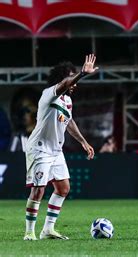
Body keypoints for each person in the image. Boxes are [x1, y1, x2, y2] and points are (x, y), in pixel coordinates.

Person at [23, 54, 99, 240]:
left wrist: (83, 141)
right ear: (63, 78)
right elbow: (65, 83)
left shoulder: (67, 101)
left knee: (63, 188)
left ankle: (48, 229)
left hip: (56, 151)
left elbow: (69, 122)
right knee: (38, 189)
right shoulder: (49, 93)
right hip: (39, 148)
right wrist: (81, 73)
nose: (74, 82)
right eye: (71, 77)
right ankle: (29, 232)